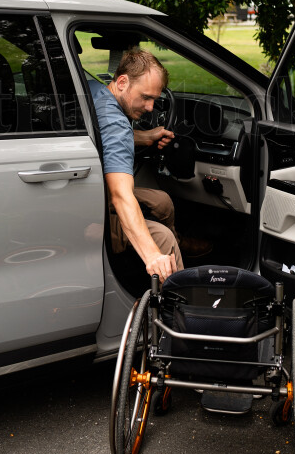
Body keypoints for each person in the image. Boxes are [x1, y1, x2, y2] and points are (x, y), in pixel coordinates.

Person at [89, 49, 208, 284]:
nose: (151, 107)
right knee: (163, 240)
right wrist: (153, 256)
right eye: (145, 97)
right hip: (93, 211)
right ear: (122, 82)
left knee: (162, 202)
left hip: (90, 194)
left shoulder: (94, 89)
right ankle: (177, 304)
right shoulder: (117, 125)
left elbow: (100, 132)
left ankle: (179, 240)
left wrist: (143, 137)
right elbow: (120, 197)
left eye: (154, 99)